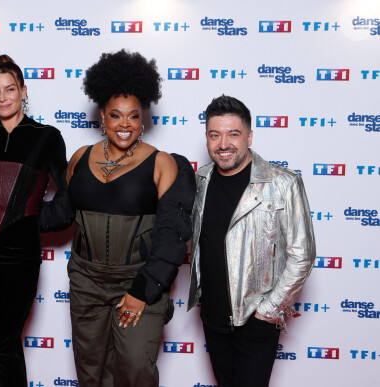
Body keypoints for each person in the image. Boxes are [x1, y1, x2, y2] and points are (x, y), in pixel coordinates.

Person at [65, 50, 196, 387]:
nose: (124, 124)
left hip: (136, 282)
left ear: (142, 119)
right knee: (91, 373)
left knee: (136, 370)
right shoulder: (80, 158)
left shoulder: (164, 163)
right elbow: (61, 212)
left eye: (133, 116)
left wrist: (143, 290)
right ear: (102, 117)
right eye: (115, 115)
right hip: (86, 284)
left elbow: (171, 236)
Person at [187, 95, 316, 387]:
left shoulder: (283, 183)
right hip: (213, 318)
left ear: (249, 136)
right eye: (214, 135)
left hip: (255, 320)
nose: (223, 144)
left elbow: (302, 255)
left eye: (234, 134)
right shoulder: (199, 181)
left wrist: (268, 311)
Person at [0, 54, 69, 386]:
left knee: (5, 342)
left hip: (20, 259)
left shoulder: (47, 137)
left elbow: (68, 197)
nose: (3, 97)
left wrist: (33, 222)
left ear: (23, 91)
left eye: (9, 89)